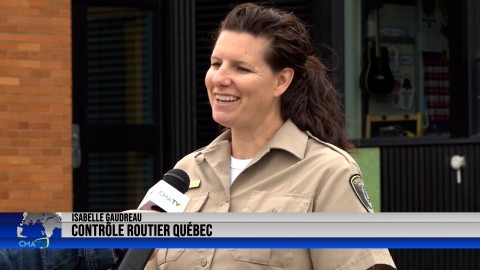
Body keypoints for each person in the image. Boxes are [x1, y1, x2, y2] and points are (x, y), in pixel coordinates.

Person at [143, 3, 396, 270]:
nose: (219, 78)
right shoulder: (185, 174)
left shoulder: (327, 172)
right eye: (216, 64)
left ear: (281, 81)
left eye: (241, 68)